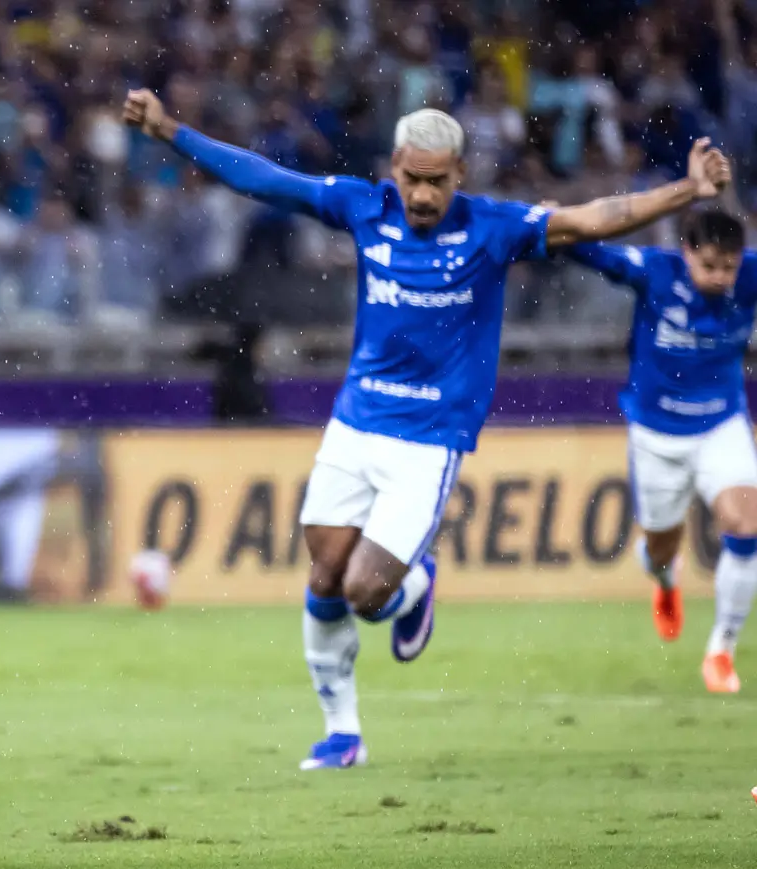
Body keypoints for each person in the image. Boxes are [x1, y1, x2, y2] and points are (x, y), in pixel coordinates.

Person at [121, 89, 730, 770]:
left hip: (429, 438)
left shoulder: (491, 229)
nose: (420, 194)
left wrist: (688, 190)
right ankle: (342, 733)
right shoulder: (364, 207)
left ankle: (414, 585)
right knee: (323, 576)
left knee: (364, 590)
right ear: (394, 169)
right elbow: (265, 179)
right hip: (356, 423)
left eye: (436, 181)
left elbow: (594, 218)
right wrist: (171, 129)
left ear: (459, 175)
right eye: (411, 178)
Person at [564, 209, 757, 694]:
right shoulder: (654, 270)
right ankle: (665, 583)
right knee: (660, 550)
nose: (720, 277)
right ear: (686, 252)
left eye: (729, 267)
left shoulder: (749, 277)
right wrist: (552, 223)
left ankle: (721, 649)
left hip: (721, 424)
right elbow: (591, 249)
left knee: (747, 524)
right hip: (656, 436)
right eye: (709, 265)